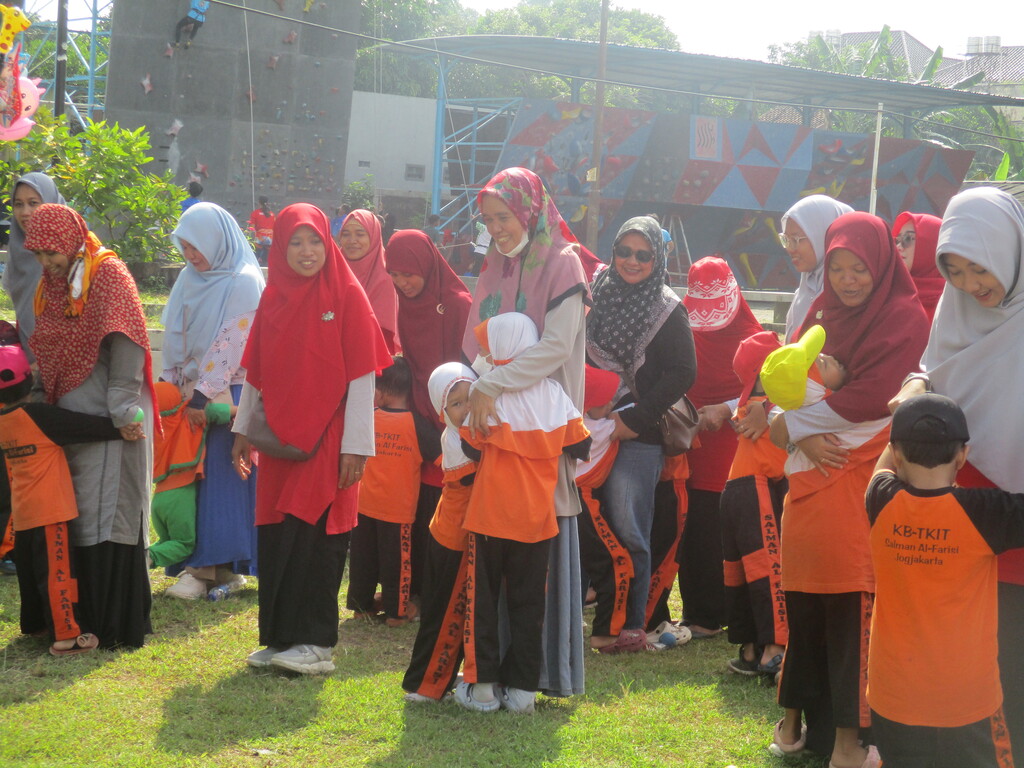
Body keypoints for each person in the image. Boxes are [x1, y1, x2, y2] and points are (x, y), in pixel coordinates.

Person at [767, 211, 929, 767]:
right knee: (827, 616)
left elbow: (879, 400)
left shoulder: (904, 319)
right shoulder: (820, 311)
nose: (847, 280)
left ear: (881, 264)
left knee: (836, 616)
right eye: (836, 268)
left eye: (859, 268)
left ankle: (805, 732)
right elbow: (780, 384)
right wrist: (790, 425)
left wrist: (793, 427)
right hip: (821, 493)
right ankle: (840, 744)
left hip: (850, 485)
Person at [888, 187, 1024, 764]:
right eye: (955, 270)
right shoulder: (956, 307)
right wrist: (917, 384)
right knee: (964, 666)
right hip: (962, 520)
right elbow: (935, 369)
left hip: (1016, 523)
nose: (970, 284)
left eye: (980, 267)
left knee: (1011, 665)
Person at [232, 203, 390, 675]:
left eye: (315, 240)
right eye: (295, 242)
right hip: (278, 439)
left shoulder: (348, 293)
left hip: (329, 438)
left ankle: (316, 644)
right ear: (279, 246)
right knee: (277, 533)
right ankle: (281, 637)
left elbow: (362, 377)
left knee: (316, 535)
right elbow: (256, 371)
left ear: (327, 243)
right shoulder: (273, 296)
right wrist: (242, 430)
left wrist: (357, 446)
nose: (306, 251)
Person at [463, 166, 591, 697]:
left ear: (529, 211)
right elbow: (476, 344)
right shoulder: (495, 264)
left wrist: (493, 384)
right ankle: (490, 674)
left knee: (537, 553)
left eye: (504, 216)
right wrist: (470, 388)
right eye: (489, 220)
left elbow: (557, 346)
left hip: (542, 430)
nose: (497, 229)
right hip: (493, 430)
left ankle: (535, 676)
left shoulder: (563, 262)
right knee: (493, 553)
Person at [26, 203, 156, 650]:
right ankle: (78, 620)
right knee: (79, 517)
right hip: (72, 423)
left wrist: (122, 411)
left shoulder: (109, 274)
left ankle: (111, 623)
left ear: (70, 241)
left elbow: (128, 341)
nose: (46, 262)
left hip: (110, 421)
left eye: (51, 252)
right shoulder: (53, 285)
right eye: (38, 254)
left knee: (108, 514)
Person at [866, 394, 1021, 767]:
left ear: (897, 453)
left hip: (893, 696)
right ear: (963, 456)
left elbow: (881, 470)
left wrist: (913, 390)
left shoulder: (880, 500)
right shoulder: (986, 513)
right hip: (967, 701)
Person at [457, 313, 590, 714]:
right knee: (529, 609)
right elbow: (581, 445)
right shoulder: (554, 394)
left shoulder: (486, 394)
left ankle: (482, 689)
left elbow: (469, 447)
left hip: (489, 517)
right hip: (537, 521)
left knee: (482, 605)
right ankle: (523, 693)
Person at [586, 215, 696, 652]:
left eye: (643, 255)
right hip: (589, 427)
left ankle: (633, 625)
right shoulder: (597, 291)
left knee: (629, 528)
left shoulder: (666, 307)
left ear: (658, 259)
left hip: (637, 436)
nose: (632, 261)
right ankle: (601, 616)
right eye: (624, 251)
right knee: (590, 525)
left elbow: (684, 372)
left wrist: (634, 419)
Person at [161, 202, 264, 599]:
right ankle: (216, 569)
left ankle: (203, 569)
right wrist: (172, 385)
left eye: (196, 246)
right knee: (189, 478)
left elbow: (232, 345)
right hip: (191, 394)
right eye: (184, 247)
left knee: (220, 481)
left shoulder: (244, 281)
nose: (191, 255)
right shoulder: (189, 279)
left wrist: (203, 396)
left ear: (216, 240)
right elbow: (174, 332)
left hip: (226, 393)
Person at [0, 345, 132, 656]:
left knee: (30, 571)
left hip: (23, 512)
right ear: (30, 379)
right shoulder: (40, 416)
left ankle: (34, 624)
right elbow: (84, 426)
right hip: (51, 511)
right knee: (57, 573)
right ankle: (67, 637)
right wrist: (121, 429)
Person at [384, 229, 472, 595]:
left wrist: (451, 420)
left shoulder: (458, 304)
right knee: (419, 508)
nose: (402, 283)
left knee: (448, 506)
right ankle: (417, 588)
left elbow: (469, 368)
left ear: (427, 265)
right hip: (418, 418)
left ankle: (446, 590)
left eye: (409, 274)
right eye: (394, 275)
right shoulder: (406, 303)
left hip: (452, 420)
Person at [680, 255, 763, 639]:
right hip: (690, 441)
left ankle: (732, 612)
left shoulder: (753, 334)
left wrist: (727, 407)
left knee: (727, 530)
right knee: (695, 529)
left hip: (735, 445)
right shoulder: (681, 326)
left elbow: (766, 388)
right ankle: (701, 612)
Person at [402, 362, 478, 702]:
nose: (466, 408)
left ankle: (431, 680)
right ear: (441, 410)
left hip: (451, 531)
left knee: (442, 612)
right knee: (447, 614)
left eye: (470, 398)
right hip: (455, 538)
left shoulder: (463, 434)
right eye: (456, 403)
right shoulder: (459, 440)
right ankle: (427, 686)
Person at [346, 356, 440, 627]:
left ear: (384, 390)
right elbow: (443, 459)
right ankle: (397, 614)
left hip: (363, 505)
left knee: (362, 559)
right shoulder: (417, 424)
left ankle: (361, 607)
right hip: (398, 510)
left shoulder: (369, 417)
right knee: (396, 564)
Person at [720, 330, 788, 678]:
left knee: (740, 573)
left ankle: (749, 648)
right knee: (769, 570)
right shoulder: (774, 406)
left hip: (735, 488)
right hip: (756, 489)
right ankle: (774, 650)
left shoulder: (751, 404)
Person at [149, 381, 234, 572]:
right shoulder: (189, 416)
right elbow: (222, 411)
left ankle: (144, 556)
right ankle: (147, 558)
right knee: (183, 544)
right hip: (179, 496)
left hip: (158, 498)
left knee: (166, 542)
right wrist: (247, 408)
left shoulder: (152, 426)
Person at [4, 171, 65, 355]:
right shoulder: (18, 249)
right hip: (28, 358)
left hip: (71, 358)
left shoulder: (72, 250)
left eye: (33, 203)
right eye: (18, 204)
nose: (25, 212)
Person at [779, 195, 855, 342]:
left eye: (795, 239)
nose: (789, 248)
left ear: (823, 236)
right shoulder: (806, 289)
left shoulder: (848, 293)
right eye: (786, 240)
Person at [338, 209, 399, 353]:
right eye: (346, 234)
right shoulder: (331, 271)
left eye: (360, 234)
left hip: (370, 356)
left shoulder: (384, 279)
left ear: (374, 236)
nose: (352, 241)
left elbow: (383, 337)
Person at [892, 211, 944, 322]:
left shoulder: (954, 301)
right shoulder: (887, 292)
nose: (898, 247)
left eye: (907, 239)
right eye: (897, 241)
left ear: (931, 244)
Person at [248, 196, 275, 266]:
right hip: (270, 237)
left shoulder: (255, 213)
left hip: (260, 237)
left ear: (259, 203)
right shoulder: (271, 214)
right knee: (266, 258)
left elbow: (252, 227)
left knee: (256, 256)